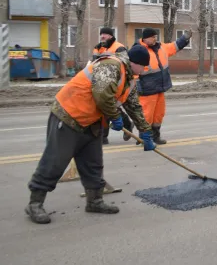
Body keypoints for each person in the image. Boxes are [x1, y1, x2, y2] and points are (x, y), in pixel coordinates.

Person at [24, 47, 157, 224]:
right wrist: (115, 117)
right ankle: (35, 203)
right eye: (144, 67)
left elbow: (133, 105)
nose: (144, 71)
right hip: (70, 114)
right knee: (55, 161)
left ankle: (95, 201)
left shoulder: (130, 78)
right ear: (136, 64)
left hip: (91, 121)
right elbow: (101, 94)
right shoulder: (112, 65)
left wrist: (145, 131)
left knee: (93, 162)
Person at [135, 28, 192, 145]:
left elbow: (174, 46)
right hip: (147, 89)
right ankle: (144, 138)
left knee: (158, 114)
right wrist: (137, 84)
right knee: (146, 115)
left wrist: (185, 38)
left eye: (156, 36)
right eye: (152, 37)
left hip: (160, 87)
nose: (155, 39)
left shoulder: (161, 47)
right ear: (145, 38)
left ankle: (155, 137)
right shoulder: (138, 50)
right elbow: (133, 70)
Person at [92, 27, 133, 143]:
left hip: (115, 82)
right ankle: (103, 136)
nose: (102, 36)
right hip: (99, 79)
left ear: (111, 36)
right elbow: (93, 62)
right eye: (101, 34)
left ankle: (127, 125)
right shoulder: (98, 47)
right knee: (103, 108)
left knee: (110, 106)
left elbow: (124, 64)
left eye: (105, 34)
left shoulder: (119, 47)